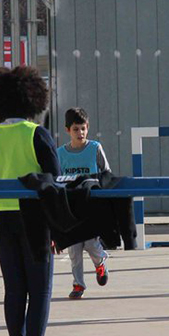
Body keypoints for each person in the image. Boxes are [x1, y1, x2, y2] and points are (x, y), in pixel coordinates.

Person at [0, 65, 66, 336]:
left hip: (1, 218)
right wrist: (58, 228)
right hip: (35, 218)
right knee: (40, 291)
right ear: (33, 98)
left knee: (14, 291)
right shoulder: (36, 133)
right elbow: (55, 181)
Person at [56, 107, 110, 299]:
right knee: (74, 249)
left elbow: (106, 174)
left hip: (90, 206)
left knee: (91, 245)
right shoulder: (60, 153)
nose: (80, 133)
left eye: (83, 128)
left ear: (88, 128)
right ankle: (78, 284)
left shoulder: (95, 148)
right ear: (67, 130)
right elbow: (57, 182)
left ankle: (100, 262)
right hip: (71, 208)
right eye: (76, 129)